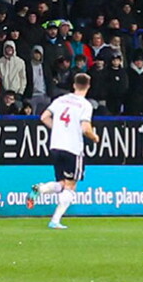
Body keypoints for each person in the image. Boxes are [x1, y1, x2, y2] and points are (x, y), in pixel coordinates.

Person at [25, 74, 101, 229]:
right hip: (73, 148)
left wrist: (58, 130)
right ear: (88, 86)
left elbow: (44, 117)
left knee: (62, 183)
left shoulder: (60, 100)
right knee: (71, 186)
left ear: (74, 85)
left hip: (56, 146)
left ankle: (41, 189)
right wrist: (95, 138)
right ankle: (55, 220)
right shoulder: (85, 105)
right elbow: (86, 129)